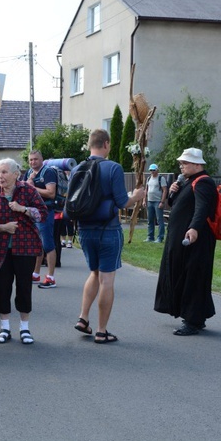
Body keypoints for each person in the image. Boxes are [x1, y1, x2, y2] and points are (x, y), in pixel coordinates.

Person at [71, 130, 145, 344]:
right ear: (106, 144)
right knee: (107, 279)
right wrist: (137, 196)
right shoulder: (113, 167)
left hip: (84, 230)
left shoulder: (78, 168)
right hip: (108, 230)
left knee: (94, 273)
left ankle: (83, 317)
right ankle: (102, 331)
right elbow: (122, 202)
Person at [154, 148, 218, 336]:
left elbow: (202, 208)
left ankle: (192, 320)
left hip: (194, 240)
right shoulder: (189, 181)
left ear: (198, 164)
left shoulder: (204, 183)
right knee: (186, 275)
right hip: (184, 239)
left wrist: (194, 228)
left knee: (193, 277)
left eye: (185, 163)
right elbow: (177, 204)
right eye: (181, 163)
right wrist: (174, 192)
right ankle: (195, 316)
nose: (181, 166)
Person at [0, 158, 46, 345]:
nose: (0, 176)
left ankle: (24, 328)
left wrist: (24, 209)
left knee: (24, 288)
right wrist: (2, 227)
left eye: (4, 172)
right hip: (0, 249)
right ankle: (4, 328)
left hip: (25, 247)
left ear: (15, 174)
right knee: (1, 288)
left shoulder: (28, 191)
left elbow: (42, 214)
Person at [22, 150, 58, 288]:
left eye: (35, 159)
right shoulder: (29, 173)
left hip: (45, 212)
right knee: (37, 244)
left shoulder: (48, 172)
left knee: (48, 244)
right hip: (32, 212)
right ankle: (35, 274)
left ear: (42, 159)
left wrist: (32, 187)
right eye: (30, 160)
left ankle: (50, 277)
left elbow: (51, 193)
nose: (33, 162)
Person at [145, 164, 168, 243]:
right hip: (149, 201)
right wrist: (144, 200)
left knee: (159, 220)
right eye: (151, 170)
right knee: (150, 220)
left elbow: (165, 190)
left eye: (153, 170)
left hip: (157, 201)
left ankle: (160, 237)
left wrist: (162, 202)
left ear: (157, 170)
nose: (152, 172)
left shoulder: (161, 178)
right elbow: (146, 190)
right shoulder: (148, 178)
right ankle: (150, 237)